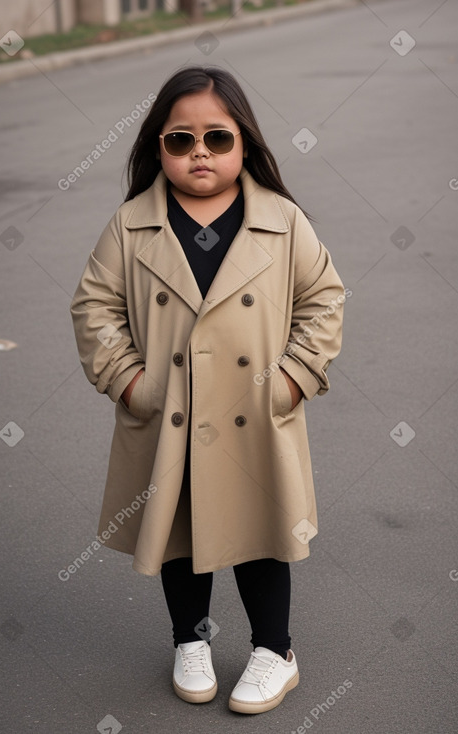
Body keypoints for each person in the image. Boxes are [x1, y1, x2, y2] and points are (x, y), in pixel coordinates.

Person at [70, 65, 345, 715]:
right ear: (156, 147)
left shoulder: (280, 220)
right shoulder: (131, 225)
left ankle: (274, 651)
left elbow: (323, 300)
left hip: (253, 411)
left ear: (243, 143)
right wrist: (130, 382)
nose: (199, 152)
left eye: (217, 139)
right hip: (169, 415)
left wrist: (290, 379)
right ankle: (188, 642)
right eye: (180, 139)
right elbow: (94, 308)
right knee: (177, 534)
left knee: (261, 535)